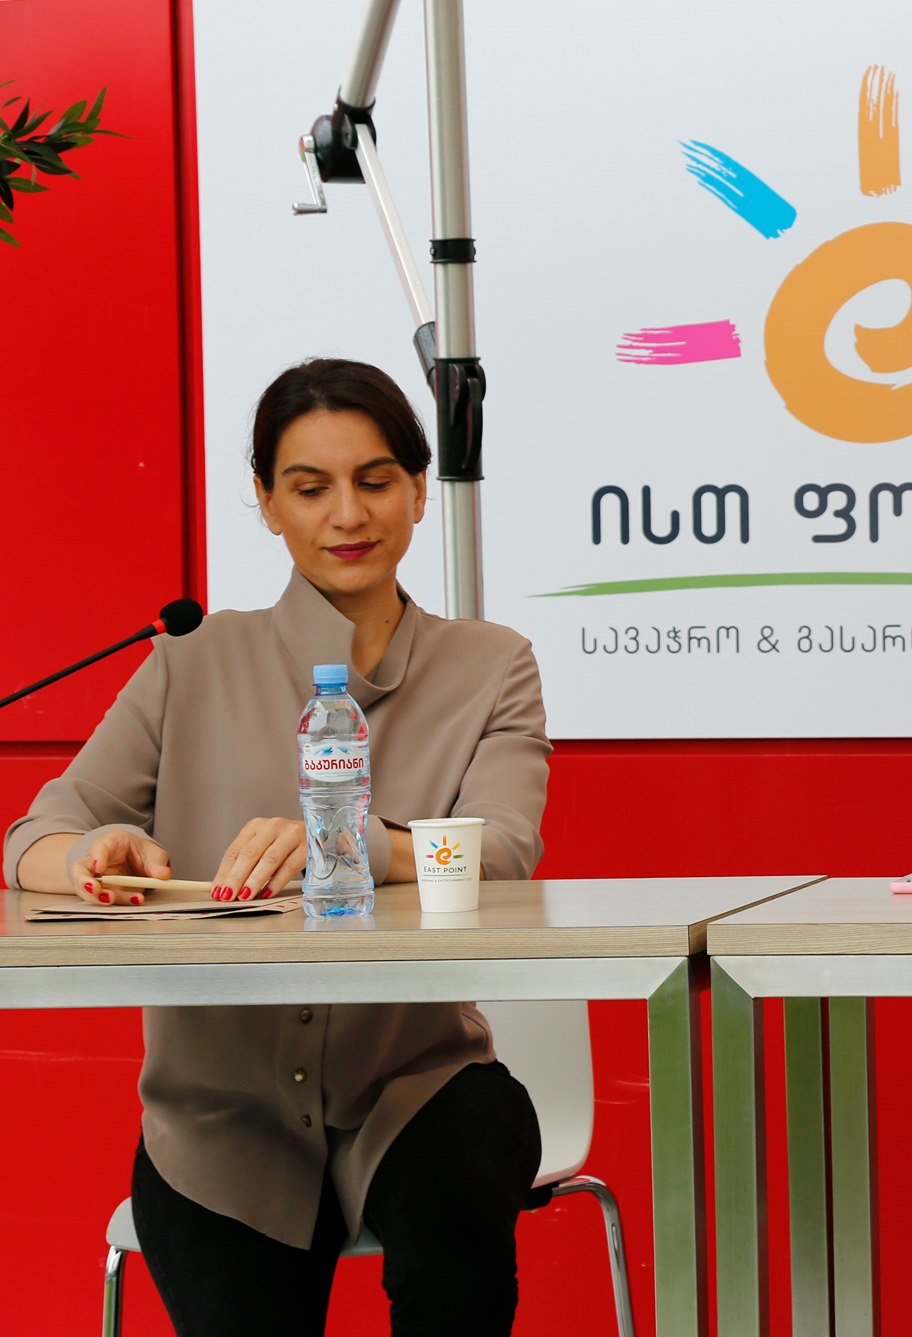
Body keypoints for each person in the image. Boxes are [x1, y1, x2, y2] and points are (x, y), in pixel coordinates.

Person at [4, 358, 551, 1337]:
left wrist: (343, 841)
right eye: (309, 487)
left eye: (374, 480)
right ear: (265, 502)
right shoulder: (189, 660)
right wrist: (95, 850)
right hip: (219, 1114)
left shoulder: (492, 663)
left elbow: (502, 850)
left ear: (419, 490)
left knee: (462, 1215)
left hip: (420, 1086)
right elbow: (33, 839)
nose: (348, 513)